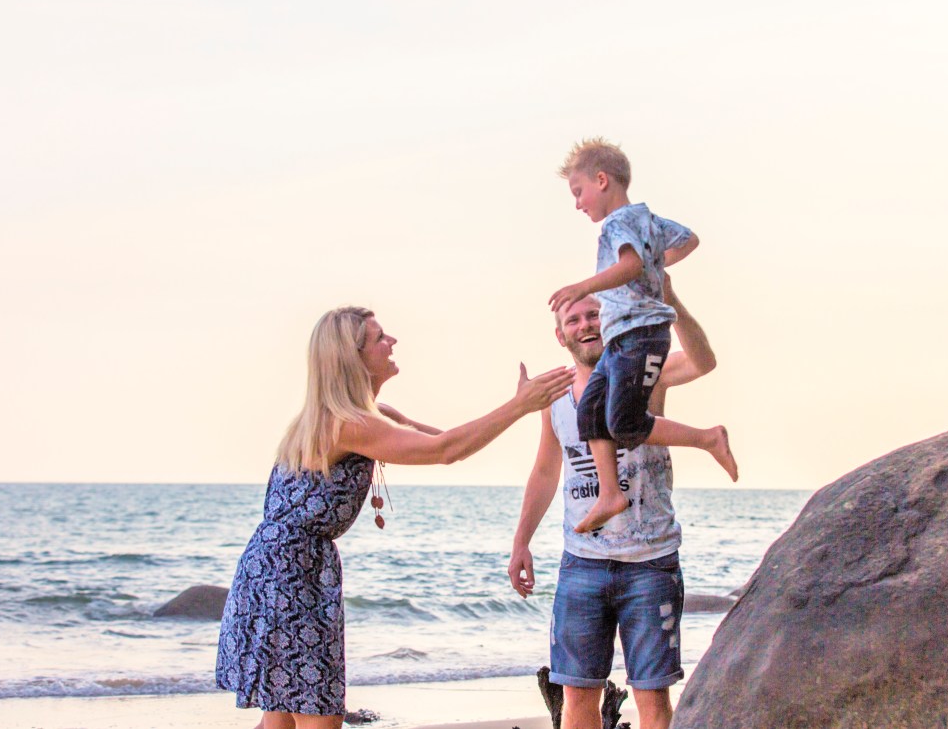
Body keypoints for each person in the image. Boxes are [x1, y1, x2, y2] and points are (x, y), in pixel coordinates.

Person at [216, 306, 574, 729]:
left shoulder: (349, 417)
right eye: (380, 337)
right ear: (354, 357)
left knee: (282, 718)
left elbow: (443, 442)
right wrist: (519, 405)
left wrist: (515, 407)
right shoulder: (348, 424)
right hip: (292, 575)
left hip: (277, 568)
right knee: (318, 718)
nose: (392, 342)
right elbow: (446, 451)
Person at [510, 276, 723, 729]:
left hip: (651, 561)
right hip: (581, 563)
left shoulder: (644, 373)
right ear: (560, 335)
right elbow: (546, 471)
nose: (585, 324)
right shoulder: (555, 397)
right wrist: (521, 541)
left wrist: (671, 299)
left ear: (609, 320)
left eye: (593, 314)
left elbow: (704, 361)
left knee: (652, 697)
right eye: (573, 320)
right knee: (577, 696)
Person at [547, 138, 738, 533]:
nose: (578, 204)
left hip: (641, 334)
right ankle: (610, 495)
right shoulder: (646, 219)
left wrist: (586, 285)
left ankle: (707, 438)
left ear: (602, 180)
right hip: (623, 338)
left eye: (579, 192)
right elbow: (688, 240)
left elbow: (631, 265)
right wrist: (655, 263)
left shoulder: (618, 223)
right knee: (590, 411)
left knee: (625, 423)